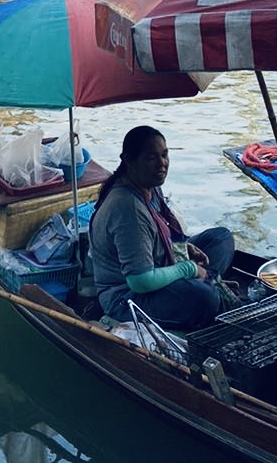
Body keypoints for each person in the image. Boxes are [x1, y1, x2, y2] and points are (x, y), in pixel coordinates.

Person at [90, 126, 235, 329]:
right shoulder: (128, 208)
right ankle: (207, 283)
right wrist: (190, 268)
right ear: (129, 160)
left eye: (165, 155)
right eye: (151, 158)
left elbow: (164, 230)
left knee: (220, 238)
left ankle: (206, 279)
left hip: (159, 263)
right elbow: (140, 281)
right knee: (204, 298)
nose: (162, 164)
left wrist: (185, 249)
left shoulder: (150, 185)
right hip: (127, 298)